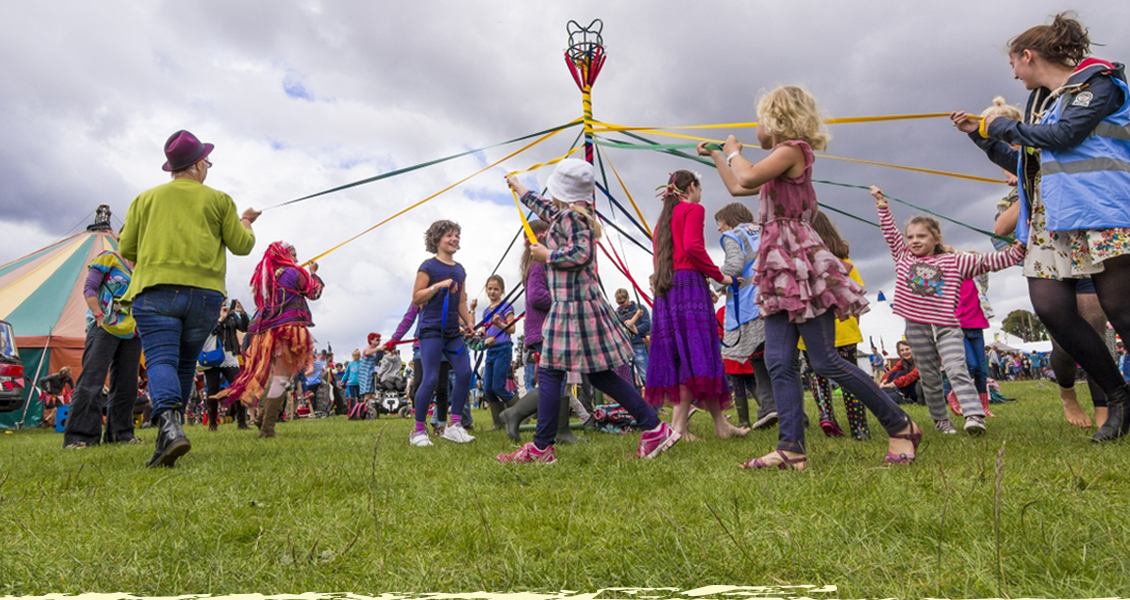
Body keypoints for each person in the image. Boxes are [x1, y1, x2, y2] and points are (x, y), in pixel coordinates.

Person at [699, 85, 921, 470]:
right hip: (777, 263)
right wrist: (719, 154)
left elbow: (747, 178)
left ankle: (902, 425)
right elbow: (738, 184)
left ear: (777, 120)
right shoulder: (776, 157)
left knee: (824, 360)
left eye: (760, 119)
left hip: (799, 262)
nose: (756, 127)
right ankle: (791, 448)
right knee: (780, 360)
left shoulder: (793, 150)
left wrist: (733, 149)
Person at [951, 12, 1130, 441]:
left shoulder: (1097, 83)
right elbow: (1027, 159)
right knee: (1051, 308)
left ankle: (1119, 404)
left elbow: (1067, 136)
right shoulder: (1043, 103)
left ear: (1028, 56)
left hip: (1101, 211)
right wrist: (981, 135)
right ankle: (1120, 395)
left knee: (1122, 311)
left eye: (1014, 63)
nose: (1013, 73)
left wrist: (1003, 125)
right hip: (1053, 220)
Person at [501, 159, 680, 463]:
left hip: (573, 311)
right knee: (600, 377)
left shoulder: (572, 219)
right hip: (578, 310)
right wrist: (520, 188)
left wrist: (548, 255)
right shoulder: (570, 214)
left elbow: (582, 254)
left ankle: (542, 447)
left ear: (563, 192)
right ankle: (653, 428)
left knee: (550, 373)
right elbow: (546, 208)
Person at [119, 130, 258, 467]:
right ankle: (171, 433)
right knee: (183, 364)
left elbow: (126, 248)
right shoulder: (220, 200)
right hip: (205, 297)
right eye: (207, 160)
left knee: (161, 360)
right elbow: (242, 245)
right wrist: (247, 222)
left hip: (156, 292)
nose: (208, 165)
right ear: (197, 165)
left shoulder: (144, 200)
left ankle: (168, 428)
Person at [871, 186, 1025, 434]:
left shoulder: (954, 261)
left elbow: (989, 261)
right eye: (910, 237)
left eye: (921, 236)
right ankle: (941, 420)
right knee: (930, 377)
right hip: (916, 327)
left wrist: (1016, 251)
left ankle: (974, 416)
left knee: (956, 368)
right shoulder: (903, 257)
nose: (914, 241)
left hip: (947, 326)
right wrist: (882, 204)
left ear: (936, 239)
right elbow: (890, 233)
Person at [645, 169, 747, 441]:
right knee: (698, 353)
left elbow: (661, 259)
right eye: (699, 188)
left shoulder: (661, 221)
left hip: (668, 290)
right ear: (692, 186)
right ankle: (679, 429)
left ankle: (720, 424)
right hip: (688, 286)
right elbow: (692, 247)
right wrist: (719, 276)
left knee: (687, 354)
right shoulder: (694, 209)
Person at [225, 242, 323, 438]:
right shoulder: (295, 273)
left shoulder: (265, 277)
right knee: (281, 378)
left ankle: (263, 418)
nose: (296, 259)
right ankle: (267, 428)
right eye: (293, 255)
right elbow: (314, 292)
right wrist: (312, 273)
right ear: (285, 256)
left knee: (277, 378)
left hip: (263, 332)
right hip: (287, 330)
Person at [798, 211, 870, 441]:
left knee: (817, 375)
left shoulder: (801, 269)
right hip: (844, 330)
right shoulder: (846, 265)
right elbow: (855, 298)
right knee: (849, 376)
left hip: (810, 334)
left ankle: (826, 414)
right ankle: (859, 428)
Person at [63, 251, 143, 448]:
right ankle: (80, 437)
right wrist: (98, 314)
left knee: (127, 385)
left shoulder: (144, 266)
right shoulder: (108, 258)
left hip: (132, 333)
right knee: (92, 381)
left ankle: (120, 433)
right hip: (105, 326)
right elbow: (90, 288)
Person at [408, 220, 475, 447]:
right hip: (431, 330)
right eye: (449, 235)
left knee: (465, 374)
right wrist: (438, 286)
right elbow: (417, 297)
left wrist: (470, 324)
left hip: (452, 332)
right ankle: (418, 431)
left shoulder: (460, 270)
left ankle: (454, 426)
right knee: (431, 379)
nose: (454, 239)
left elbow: (462, 302)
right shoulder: (428, 267)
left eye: (457, 235)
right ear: (436, 240)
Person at [714, 202, 776, 430]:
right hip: (777, 298)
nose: (719, 229)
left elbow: (734, 265)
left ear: (729, 220)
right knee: (774, 358)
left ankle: (772, 408)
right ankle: (773, 409)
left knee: (763, 358)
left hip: (751, 303)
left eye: (719, 222)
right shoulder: (764, 228)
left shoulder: (733, 234)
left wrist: (713, 280)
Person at [473, 275, 516, 430]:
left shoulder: (506, 307)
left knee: (498, 386)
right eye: (490, 288)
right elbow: (485, 328)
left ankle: (521, 414)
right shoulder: (486, 311)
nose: (492, 292)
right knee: (488, 389)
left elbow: (512, 328)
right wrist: (482, 334)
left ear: (502, 291)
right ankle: (498, 423)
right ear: (486, 290)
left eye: (496, 289)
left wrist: (498, 324)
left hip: (503, 348)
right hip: (490, 350)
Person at [203, 298, 250, 431]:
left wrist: (242, 313)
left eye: (224, 301)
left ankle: (242, 422)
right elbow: (208, 332)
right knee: (213, 389)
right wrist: (220, 319)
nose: (223, 304)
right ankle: (213, 424)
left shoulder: (231, 315)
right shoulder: (208, 315)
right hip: (212, 355)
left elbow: (245, 327)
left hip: (230, 355)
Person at [614, 289, 651, 388]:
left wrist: (636, 329)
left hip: (638, 344)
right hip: (625, 347)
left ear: (628, 298)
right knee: (628, 379)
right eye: (618, 303)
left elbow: (647, 325)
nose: (620, 305)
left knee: (645, 374)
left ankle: (654, 400)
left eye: (622, 302)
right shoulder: (617, 314)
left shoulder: (640, 308)